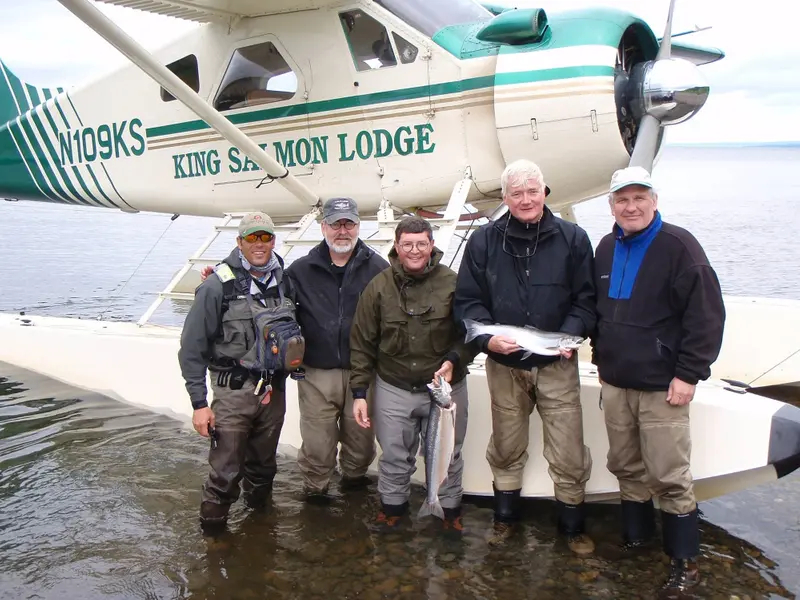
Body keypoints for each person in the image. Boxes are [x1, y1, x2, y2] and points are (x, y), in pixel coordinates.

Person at [591, 166, 725, 595]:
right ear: (610, 205)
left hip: (662, 386)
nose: (630, 206)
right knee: (626, 466)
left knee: (669, 474)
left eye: (638, 198)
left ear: (654, 200)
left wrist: (689, 374)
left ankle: (685, 563)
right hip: (616, 381)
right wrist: (599, 355)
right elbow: (599, 310)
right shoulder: (607, 247)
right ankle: (637, 539)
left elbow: (706, 317)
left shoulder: (680, 247)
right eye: (622, 199)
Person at [453, 159, 596, 554]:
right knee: (506, 445)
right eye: (516, 193)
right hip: (505, 365)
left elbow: (587, 301)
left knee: (568, 449)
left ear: (545, 192)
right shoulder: (483, 241)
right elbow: (467, 302)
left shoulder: (573, 238)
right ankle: (504, 520)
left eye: (533, 191)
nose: (526, 199)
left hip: (557, 364)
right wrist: (487, 342)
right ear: (505, 198)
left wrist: (571, 334)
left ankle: (572, 528)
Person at [349, 216, 475, 531]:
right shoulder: (377, 287)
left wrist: (454, 361)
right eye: (407, 244)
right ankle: (393, 511)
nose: (415, 250)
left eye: (421, 243)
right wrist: (359, 394)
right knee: (393, 455)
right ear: (397, 246)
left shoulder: (453, 282)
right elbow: (362, 343)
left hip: (445, 388)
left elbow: (471, 333)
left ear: (431, 245)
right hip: (394, 387)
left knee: (450, 454)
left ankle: (449, 514)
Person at [178, 211, 302, 533]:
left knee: (263, 469)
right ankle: (213, 538)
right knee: (225, 473)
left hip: (273, 393)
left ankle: (259, 529)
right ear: (239, 242)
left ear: (274, 241)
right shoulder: (216, 286)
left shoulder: (286, 281)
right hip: (232, 393)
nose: (259, 244)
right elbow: (192, 349)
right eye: (252, 238)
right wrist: (199, 404)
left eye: (265, 237)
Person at [285, 197, 388, 500]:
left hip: (363, 373)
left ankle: (353, 498)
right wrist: (216, 279)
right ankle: (315, 500)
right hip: (317, 373)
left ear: (358, 225)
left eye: (349, 223)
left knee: (361, 446)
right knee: (318, 447)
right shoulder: (299, 270)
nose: (342, 230)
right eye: (335, 224)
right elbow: (270, 301)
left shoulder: (380, 268)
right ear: (323, 227)